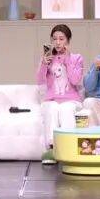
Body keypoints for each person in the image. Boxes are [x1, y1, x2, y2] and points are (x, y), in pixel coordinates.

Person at [35, 24, 84, 164]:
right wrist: (44, 64)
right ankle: (52, 149)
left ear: (68, 40)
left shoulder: (77, 58)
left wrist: (67, 60)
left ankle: (68, 148)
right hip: (51, 99)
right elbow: (40, 81)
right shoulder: (47, 58)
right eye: (54, 39)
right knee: (52, 108)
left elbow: (75, 80)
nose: (57, 42)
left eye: (61, 39)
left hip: (71, 100)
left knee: (65, 109)